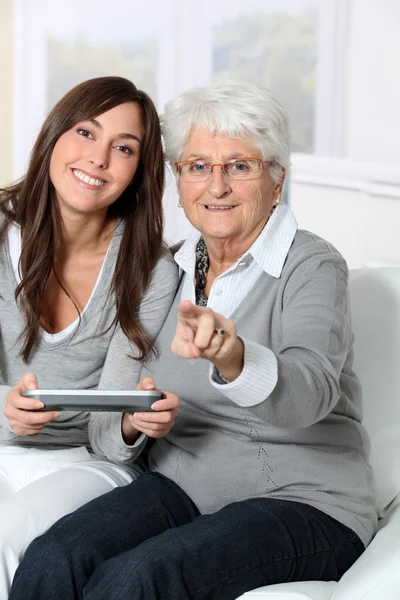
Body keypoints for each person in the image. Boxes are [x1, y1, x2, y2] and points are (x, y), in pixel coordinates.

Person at [9, 81, 377, 600]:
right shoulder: (165, 272)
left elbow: (312, 390)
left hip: (306, 501)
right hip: (183, 488)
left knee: (136, 580)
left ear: (278, 179)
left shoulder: (311, 264)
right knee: (54, 559)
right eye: (198, 166)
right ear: (178, 181)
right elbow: (110, 433)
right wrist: (133, 425)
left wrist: (235, 357)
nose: (217, 186)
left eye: (240, 166)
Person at [0, 76, 180, 597]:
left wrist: (130, 423)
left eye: (123, 148)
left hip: (87, 464)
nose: (98, 159)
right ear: (54, 136)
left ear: (137, 172)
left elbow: (110, 440)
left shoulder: (149, 270)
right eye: (85, 132)